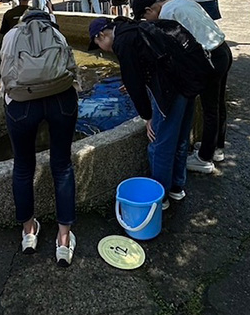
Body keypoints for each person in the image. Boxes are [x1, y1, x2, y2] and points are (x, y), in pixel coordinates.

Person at [90, 15, 210, 206]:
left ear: (102, 35)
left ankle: (160, 197)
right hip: (187, 81)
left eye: (98, 45)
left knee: (159, 144)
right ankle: (177, 187)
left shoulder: (122, 42)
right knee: (180, 137)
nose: (102, 50)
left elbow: (134, 84)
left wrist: (147, 117)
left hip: (169, 89)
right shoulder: (134, 28)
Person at [0, 9, 79, 267]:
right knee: (62, 166)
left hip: (22, 105)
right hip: (61, 101)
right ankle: (64, 241)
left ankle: (28, 233)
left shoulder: (12, 35)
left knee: (23, 167)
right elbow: (72, 69)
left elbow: (4, 74)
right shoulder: (57, 34)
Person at [133, 0, 232, 173]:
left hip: (210, 59)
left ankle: (204, 159)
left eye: (144, 18)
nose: (147, 22)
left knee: (210, 109)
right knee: (218, 104)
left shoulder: (167, 16)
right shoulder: (180, 0)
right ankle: (216, 147)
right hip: (223, 50)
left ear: (149, 10)